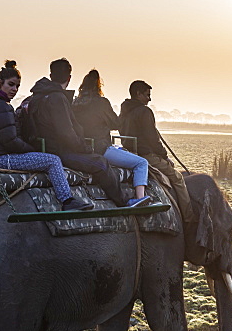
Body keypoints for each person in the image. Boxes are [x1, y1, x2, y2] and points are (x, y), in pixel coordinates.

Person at [0, 60, 92, 211]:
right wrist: (33, 150)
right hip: (0, 158)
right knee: (53, 160)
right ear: (0, 82)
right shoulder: (1, 106)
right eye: (11, 84)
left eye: (17, 86)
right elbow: (10, 141)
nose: (14, 89)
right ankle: (67, 200)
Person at [23, 59, 131, 207]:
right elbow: (66, 132)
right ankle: (124, 201)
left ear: (51, 75)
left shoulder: (36, 97)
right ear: (69, 77)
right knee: (101, 163)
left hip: (43, 148)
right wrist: (84, 148)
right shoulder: (58, 98)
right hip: (60, 150)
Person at [119, 80, 194, 222]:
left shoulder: (124, 111)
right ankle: (188, 218)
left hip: (129, 154)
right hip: (146, 155)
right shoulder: (145, 111)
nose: (149, 98)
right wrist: (165, 157)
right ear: (138, 94)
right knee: (177, 178)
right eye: (147, 95)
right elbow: (153, 139)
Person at [74, 69, 151, 207]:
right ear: (98, 86)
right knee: (141, 163)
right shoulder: (101, 102)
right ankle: (140, 197)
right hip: (101, 148)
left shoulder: (75, 103)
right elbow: (115, 123)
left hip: (81, 149)